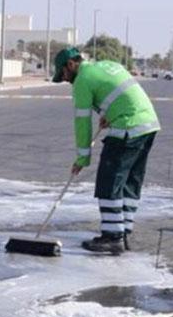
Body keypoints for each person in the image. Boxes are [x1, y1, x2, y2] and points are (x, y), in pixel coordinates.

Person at [52, 47, 161, 254]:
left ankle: (112, 237)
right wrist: (110, 114)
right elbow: (120, 94)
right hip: (148, 124)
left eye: (64, 74)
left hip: (128, 127)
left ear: (71, 65)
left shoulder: (82, 80)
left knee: (109, 181)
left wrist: (82, 159)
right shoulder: (107, 65)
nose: (65, 79)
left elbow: (82, 123)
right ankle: (124, 232)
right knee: (130, 182)